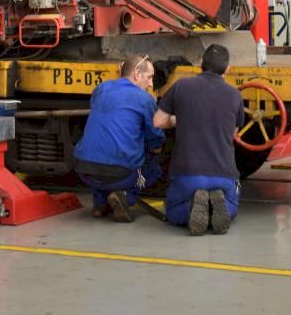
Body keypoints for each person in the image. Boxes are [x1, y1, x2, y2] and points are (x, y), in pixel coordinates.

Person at [154, 44, 245, 235]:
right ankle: (216, 207)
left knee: (172, 211)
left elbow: (158, 121)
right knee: (232, 207)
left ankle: (190, 209)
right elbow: (232, 134)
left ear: (201, 63)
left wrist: (178, 119)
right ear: (227, 69)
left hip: (187, 174)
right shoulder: (235, 96)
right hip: (224, 175)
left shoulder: (181, 86)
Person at [73, 55, 166, 222]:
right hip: (119, 174)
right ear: (137, 74)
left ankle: (100, 202)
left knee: (102, 151)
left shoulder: (100, 89)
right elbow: (155, 139)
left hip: (84, 170)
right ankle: (125, 196)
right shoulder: (145, 99)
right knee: (153, 167)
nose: (151, 84)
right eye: (149, 77)